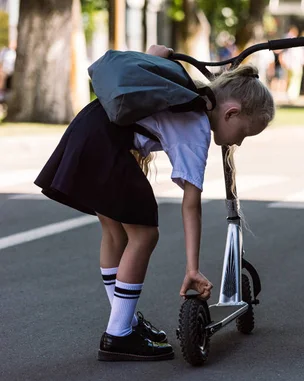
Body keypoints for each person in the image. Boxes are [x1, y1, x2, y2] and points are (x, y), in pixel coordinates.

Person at [33, 44, 275, 361]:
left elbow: (150, 62)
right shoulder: (196, 125)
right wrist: (192, 269)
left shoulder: (181, 89)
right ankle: (119, 334)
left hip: (88, 132)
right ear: (230, 112)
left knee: (116, 233)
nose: (238, 142)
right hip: (107, 149)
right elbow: (191, 203)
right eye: (242, 133)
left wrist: (156, 52)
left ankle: (125, 322)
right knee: (145, 233)